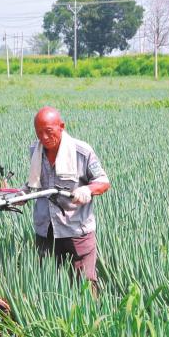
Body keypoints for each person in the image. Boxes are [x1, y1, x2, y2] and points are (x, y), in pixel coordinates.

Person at [25, 106, 110, 292]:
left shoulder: (82, 152)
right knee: (49, 284)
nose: (44, 137)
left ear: (61, 126)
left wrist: (87, 189)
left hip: (75, 229)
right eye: (39, 132)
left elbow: (103, 181)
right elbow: (34, 182)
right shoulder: (35, 150)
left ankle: (89, 309)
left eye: (49, 131)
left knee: (85, 285)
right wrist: (21, 195)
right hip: (46, 229)